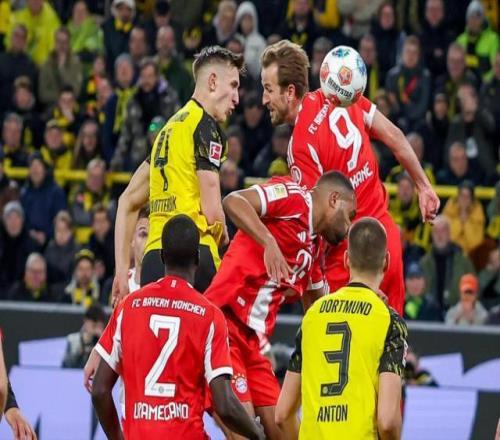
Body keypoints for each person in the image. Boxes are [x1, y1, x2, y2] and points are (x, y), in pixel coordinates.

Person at [260, 40, 440, 314]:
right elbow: (394, 136)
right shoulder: (340, 93)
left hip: (348, 262)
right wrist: (423, 186)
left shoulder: (301, 146)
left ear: (290, 92)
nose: (264, 99)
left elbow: (318, 223)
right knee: (392, 337)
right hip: (385, 242)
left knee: (331, 338)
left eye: (268, 89)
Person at [204, 171, 356, 438]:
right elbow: (234, 201)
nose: (348, 227)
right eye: (350, 215)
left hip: (253, 343)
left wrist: (364, 293)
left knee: (285, 431)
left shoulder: (315, 249)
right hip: (222, 325)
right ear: (334, 199)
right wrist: (268, 241)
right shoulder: (293, 198)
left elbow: (321, 305)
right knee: (243, 432)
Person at [91, 215, 264, 440]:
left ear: (162, 256)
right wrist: (256, 432)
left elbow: (99, 390)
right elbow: (224, 405)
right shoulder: (209, 315)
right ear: (198, 258)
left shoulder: (128, 307)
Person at [112, 46, 243, 301]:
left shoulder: (168, 130)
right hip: (193, 257)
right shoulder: (205, 126)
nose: (236, 98)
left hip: (153, 261)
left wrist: (122, 273)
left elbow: (126, 200)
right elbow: (212, 210)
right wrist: (225, 236)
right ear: (212, 82)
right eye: (233, 85)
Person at [275, 217, 408, 439]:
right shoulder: (388, 321)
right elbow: (387, 421)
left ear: (346, 259)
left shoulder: (313, 316)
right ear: (386, 261)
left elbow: (282, 414)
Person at [62, 304, 107, 368]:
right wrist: (80, 351)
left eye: (98, 326)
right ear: (85, 321)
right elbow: (65, 365)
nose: (95, 329)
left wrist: (102, 339)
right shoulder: (72, 340)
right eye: (93, 325)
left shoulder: (105, 342)